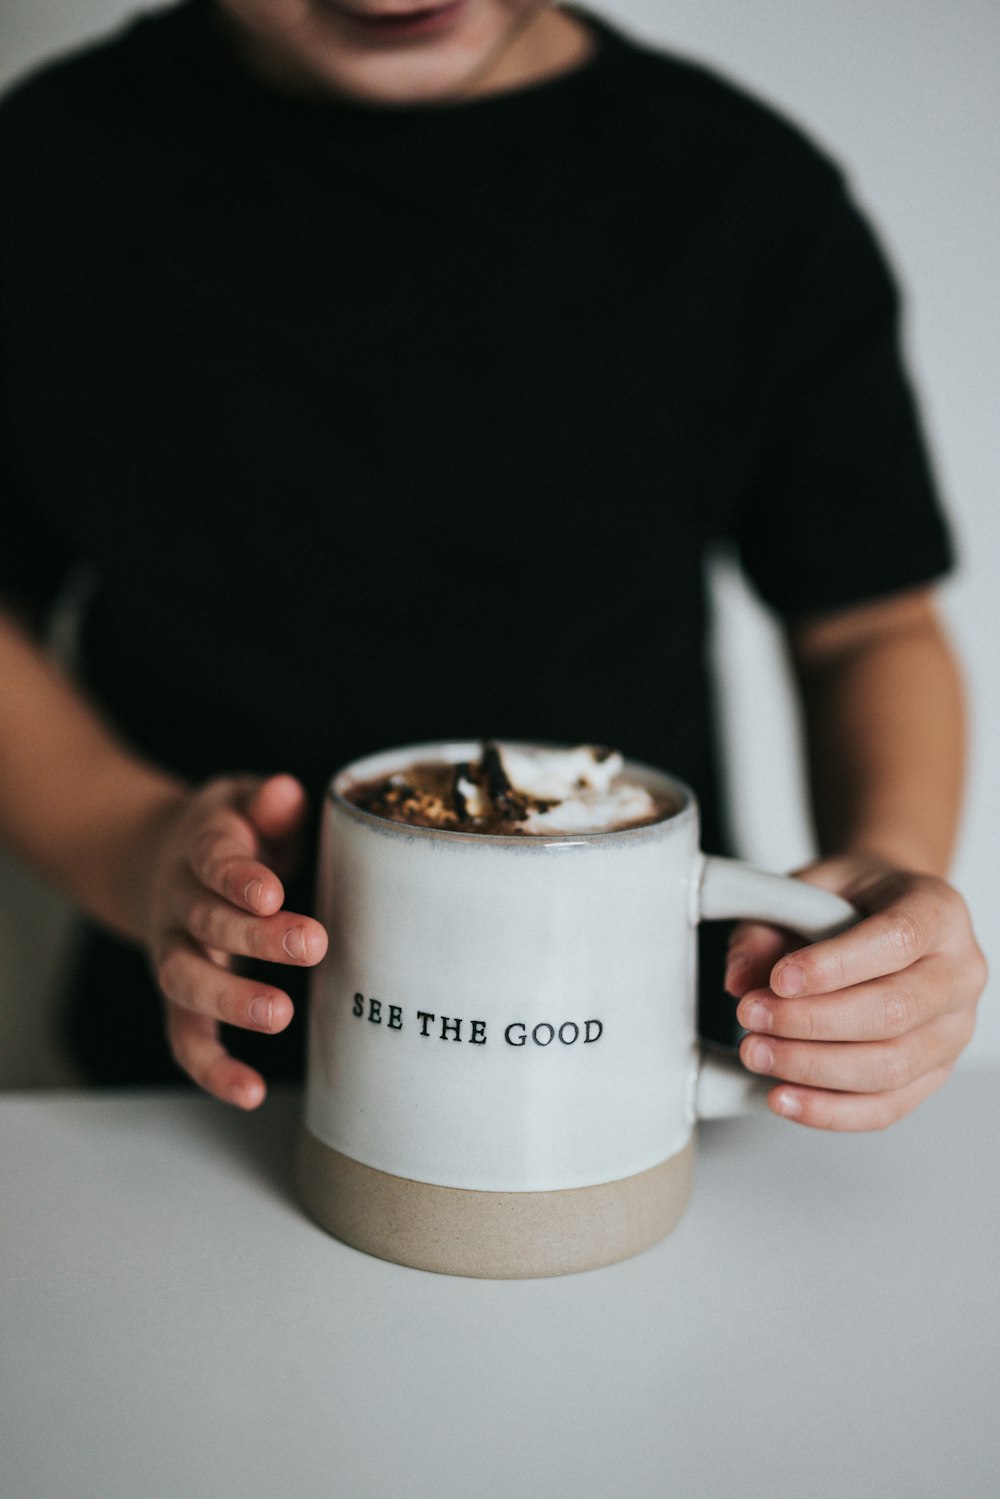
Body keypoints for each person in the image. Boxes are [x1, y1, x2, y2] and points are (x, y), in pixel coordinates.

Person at [0, 0, 986, 1128]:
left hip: (640, 1063)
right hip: (188, 1084)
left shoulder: (741, 193)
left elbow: (866, 625)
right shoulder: (51, 174)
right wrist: (131, 846)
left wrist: (882, 903)